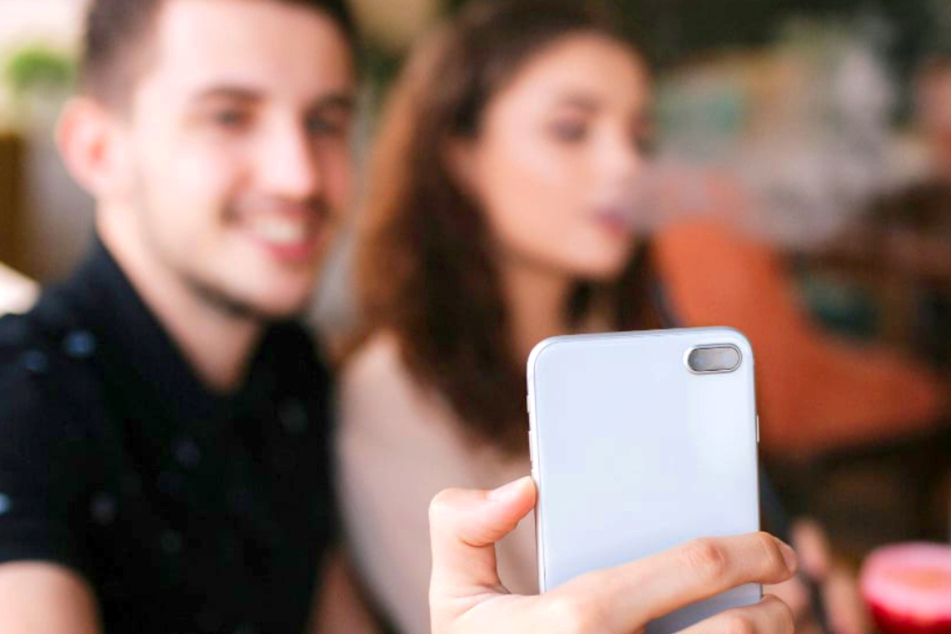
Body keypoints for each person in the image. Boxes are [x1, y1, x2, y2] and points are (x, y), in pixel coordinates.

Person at [0, 0, 799, 632]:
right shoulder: (19, 400)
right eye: (229, 116)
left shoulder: (290, 374)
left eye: (326, 121)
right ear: (98, 149)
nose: (298, 175)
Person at [340, 0, 888, 632]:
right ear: (459, 153)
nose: (628, 166)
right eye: (572, 130)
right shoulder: (393, 391)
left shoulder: (627, 344)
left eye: (640, 138)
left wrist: (781, 594)